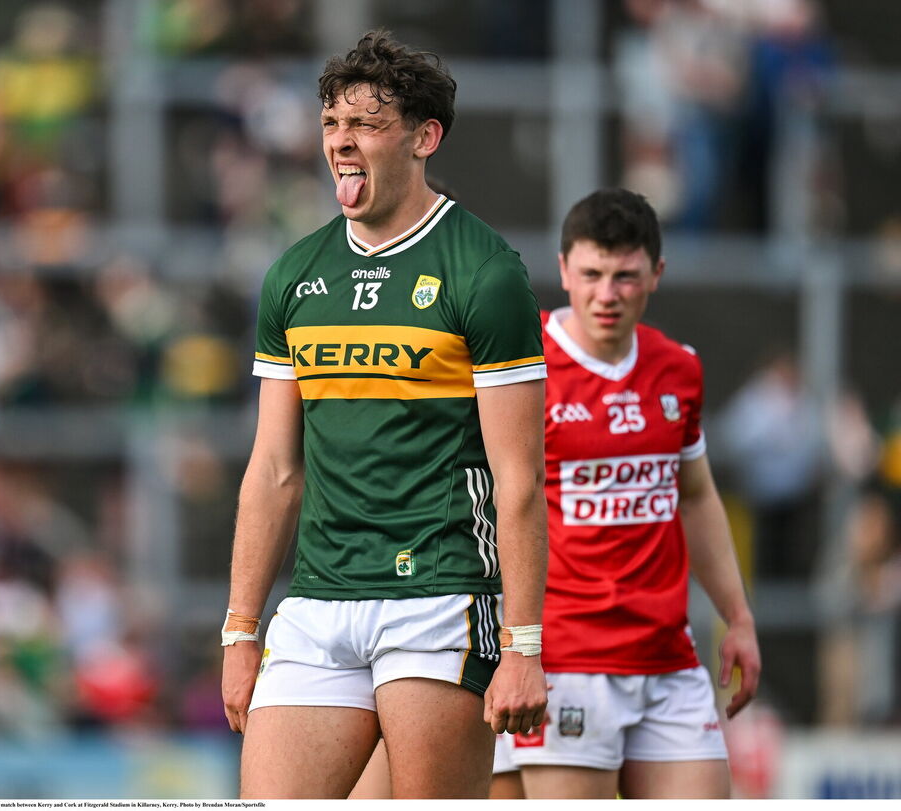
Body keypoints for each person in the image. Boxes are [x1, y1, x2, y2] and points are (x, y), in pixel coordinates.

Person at [221, 30, 549, 799]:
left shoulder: (486, 273)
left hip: (438, 595)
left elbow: (519, 478)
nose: (342, 141)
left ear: (424, 138)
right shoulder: (296, 276)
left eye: (366, 124)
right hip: (318, 600)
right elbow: (274, 468)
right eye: (333, 123)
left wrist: (523, 643)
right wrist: (241, 629)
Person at [488, 188, 761, 799]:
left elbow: (695, 496)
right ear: (562, 270)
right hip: (563, 658)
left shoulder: (679, 368)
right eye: (590, 274)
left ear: (656, 275)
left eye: (625, 277)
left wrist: (737, 618)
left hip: (668, 657)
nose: (606, 295)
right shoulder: (519, 364)